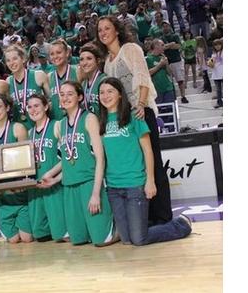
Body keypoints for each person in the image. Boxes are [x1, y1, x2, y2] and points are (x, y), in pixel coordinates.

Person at [96, 16, 173, 226]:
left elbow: (142, 77)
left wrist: (140, 104)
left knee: (154, 164)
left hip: (141, 112)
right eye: (100, 30)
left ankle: (164, 217)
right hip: (125, 119)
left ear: (117, 30)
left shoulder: (130, 49)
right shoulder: (107, 64)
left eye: (107, 28)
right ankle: (145, 217)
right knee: (139, 167)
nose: (103, 32)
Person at [98, 77, 192, 245]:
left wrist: (150, 181)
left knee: (139, 239)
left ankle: (181, 224)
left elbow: (148, 151)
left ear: (120, 94)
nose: (105, 96)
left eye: (110, 91)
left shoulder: (134, 116)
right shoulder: (101, 122)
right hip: (113, 188)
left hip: (135, 184)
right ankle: (140, 229)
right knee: (127, 240)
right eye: (102, 93)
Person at [44, 81, 118, 246]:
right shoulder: (60, 125)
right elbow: (68, 158)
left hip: (89, 183)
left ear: (80, 97)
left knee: (100, 241)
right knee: (77, 240)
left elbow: (100, 158)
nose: (65, 98)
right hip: (69, 186)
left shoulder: (89, 118)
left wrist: (95, 194)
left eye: (70, 94)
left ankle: (120, 224)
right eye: (62, 94)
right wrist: (53, 177)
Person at [0, 95, 33, 244]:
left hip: (18, 190)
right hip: (1, 192)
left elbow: (26, 161)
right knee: (13, 240)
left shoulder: (18, 128)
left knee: (27, 238)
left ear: (8, 108)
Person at [26, 94, 67, 242]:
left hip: (54, 185)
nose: (33, 110)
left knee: (62, 236)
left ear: (46, 106)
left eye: (36, 105)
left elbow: (67, 157)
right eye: (29, 107)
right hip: (36, 187)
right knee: (40, 236)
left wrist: (53, 176)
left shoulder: (57, 125)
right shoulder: (29, 133)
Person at [4, 44, 50, 130]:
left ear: (23, 59)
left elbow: (51, 102)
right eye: (8, 60)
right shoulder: (7, 82)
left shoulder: (38, 75)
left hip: (41, 128)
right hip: (20, 130)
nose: (12, 63)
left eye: (15, 59)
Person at [48, 39, 82, 121]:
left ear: (67, 53)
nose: (55, 56)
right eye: (52, 54)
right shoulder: (49, 76)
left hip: (77, 120)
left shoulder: (77, 71)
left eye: (59, 52)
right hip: (56, 122)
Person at [78, 44, 107, 116]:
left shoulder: (104, 80)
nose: (85, 63)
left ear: (98, 60)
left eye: (89, 58)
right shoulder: (83, 84)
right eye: (82, 59)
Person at [146, 39, 176, 104]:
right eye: (162, 45)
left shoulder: (163, 58)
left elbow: (170, 73)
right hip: (157, 90)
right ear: (156, 46)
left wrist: (167, 64)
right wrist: (160, 65)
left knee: (170, 110)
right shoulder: (148, 59)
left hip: (168, 88)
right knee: (160, 112)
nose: (164, 47)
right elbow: (148, 73)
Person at [208, 38, 223, 108]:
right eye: (215, 45)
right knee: (218, 90)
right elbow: (211, 64)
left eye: (219, 44)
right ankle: (219, 102)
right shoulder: (213, 55)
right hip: (216, 74)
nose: (217, 46)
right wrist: (210, 63)